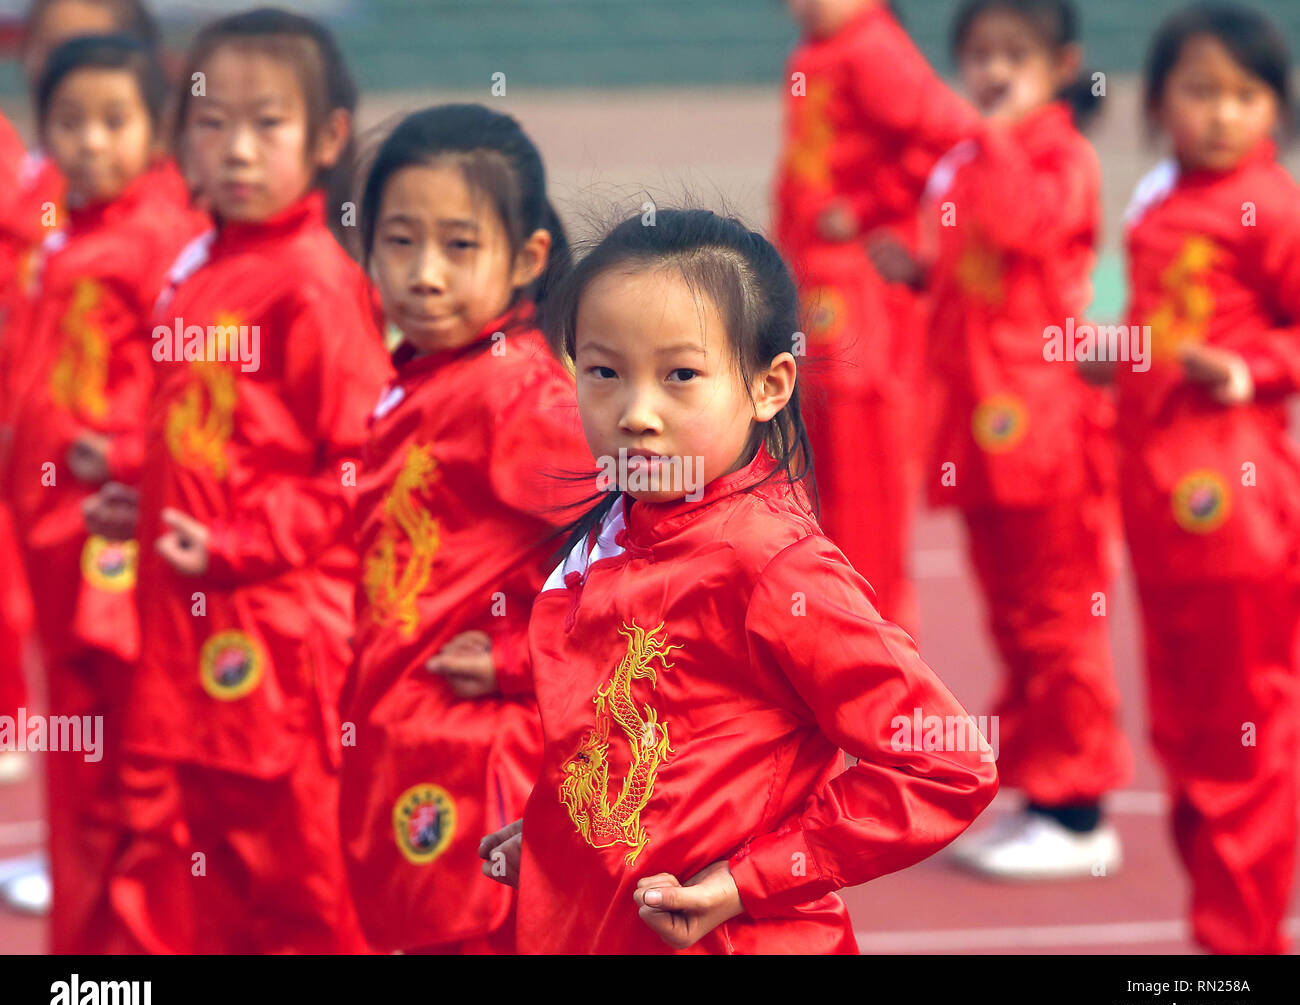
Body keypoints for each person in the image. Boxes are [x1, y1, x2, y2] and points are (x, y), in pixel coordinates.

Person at [481, 208, 998, 954]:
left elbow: (946, 761)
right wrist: (559, 835)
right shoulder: (617, 530)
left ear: (769, 385)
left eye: (680, 376)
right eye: (603, 372)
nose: (636, 413)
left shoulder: (771, 567)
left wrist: (744, 881)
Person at [85, 6, 388, 954]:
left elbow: (357, 467)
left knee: (301, 878)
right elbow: (222, 439)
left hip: (279, 642)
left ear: (327, 137)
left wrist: (235, 541)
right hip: (186, 629)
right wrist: (147, 490)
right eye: (213, 125)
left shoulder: (313, 282)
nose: (238, 151)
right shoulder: (201, 265)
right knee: (210, 874)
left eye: (269, 125)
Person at [872, 0, 1131, 878]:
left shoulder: (1058, 157)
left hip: (1043, 423)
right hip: (976, 425)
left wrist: (1003, 134)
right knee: (1016, 621)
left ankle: (1080, 807)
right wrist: (910, 270)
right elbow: (960, 268)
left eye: (1015, 53)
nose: (993, 69)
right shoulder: (964, 159)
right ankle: (1038, 796)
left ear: (1062, 64)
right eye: (979, 53)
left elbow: (1026, 227)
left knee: (1060, 618)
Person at [339, 103, 592, 955]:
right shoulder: (426, 375)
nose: (425, 274)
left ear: (526, 259)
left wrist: (523, 660)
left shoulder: (516, 394)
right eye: (400, 241)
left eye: (459, 245)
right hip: (403, 738)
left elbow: (656, 539)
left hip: (476, 759)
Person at [2, 33, 203, 954]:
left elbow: (192, 395)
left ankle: (136, 946)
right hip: (50, 533)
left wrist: (119, 452)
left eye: (113, 121)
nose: (90, 142)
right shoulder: (70, 230)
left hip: (111, 535)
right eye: (69, 124)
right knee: (81, 745)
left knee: (132, 752)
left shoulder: (163, 238)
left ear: (156, 126)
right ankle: (85, 950)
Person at [1116, 2, 1300, 954]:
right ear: (1158, 103)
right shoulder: (1158, 201)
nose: (1223, 114)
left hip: (1237, 513)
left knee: (1243, 741)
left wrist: (1252, 369)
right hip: (1159, 512)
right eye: (1200, 90)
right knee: (1188, 743)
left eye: (1247, 94)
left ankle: (1238, 951)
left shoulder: (1271, 205)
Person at [774, 0, 979, 636]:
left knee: (865, 466)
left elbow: (955, 137)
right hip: (817, 288)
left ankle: (874, 637)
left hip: (861, 291)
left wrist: (868, 207)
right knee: (819, 463)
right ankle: (836, 627)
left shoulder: (872, 48)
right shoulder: (817, 53)